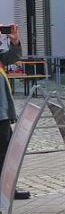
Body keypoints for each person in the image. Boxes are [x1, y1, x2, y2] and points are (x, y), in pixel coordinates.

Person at [1, 24, 29, 200]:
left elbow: (13, 56)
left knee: (6, 151)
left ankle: (8, 187)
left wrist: (15, 41)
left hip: (2, 113)